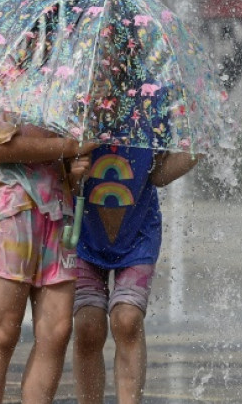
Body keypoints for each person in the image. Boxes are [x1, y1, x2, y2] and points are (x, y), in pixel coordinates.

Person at [0, 100, 98, 404]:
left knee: (58, 330)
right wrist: (68, 147)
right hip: (11, 209)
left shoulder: (61, 77)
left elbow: (65, 156)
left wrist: (75, 169)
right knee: (3, 329)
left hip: (58, 211)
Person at [71, 142, 199, 404]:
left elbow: (159, 175)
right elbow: (56, 169)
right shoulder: (77, 109)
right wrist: (70, 172)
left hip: (138, 232)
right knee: (88, 325)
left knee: (127, 320)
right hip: (81, 231)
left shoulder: (152, 107)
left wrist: (197, 150)